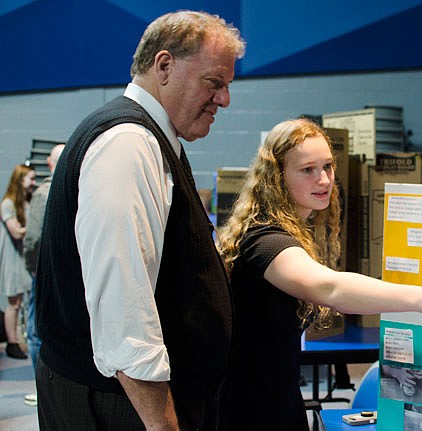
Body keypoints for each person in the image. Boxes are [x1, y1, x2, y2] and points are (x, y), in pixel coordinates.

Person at [35, 11, 244, 431]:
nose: (224, 99)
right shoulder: (128, 143)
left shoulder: (150, 138)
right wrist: (161, 423)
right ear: (164, 66)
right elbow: (124, 308)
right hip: (124, 406)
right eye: (214, 82)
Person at [217, 118, 422, 430]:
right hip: (250, 412)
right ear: (277, 177)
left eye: (328, 166)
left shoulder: (284, 229)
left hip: (276, 400)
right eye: (308, 169)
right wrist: (421, 298)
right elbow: (330, 288)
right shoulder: (266, 242)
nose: (324, 180)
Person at [22, 144, 65, 406]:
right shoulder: (77, 187)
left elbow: (33, 237)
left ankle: (42, 391)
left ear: (50, 164)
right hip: (65, 274)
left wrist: (32, 268)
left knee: (34, 330)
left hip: (43, 273)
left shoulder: (43, 193)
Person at [0, 163, 36, 360]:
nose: (33, 183)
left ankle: (16, 341)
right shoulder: (8, 204)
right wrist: (33, 227)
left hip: (23, 257)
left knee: (22, 300)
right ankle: (12, 342)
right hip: (13, 257)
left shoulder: (26, 203)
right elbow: (15, 232)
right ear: (19, 179)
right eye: (30, 178)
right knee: (13, 302)